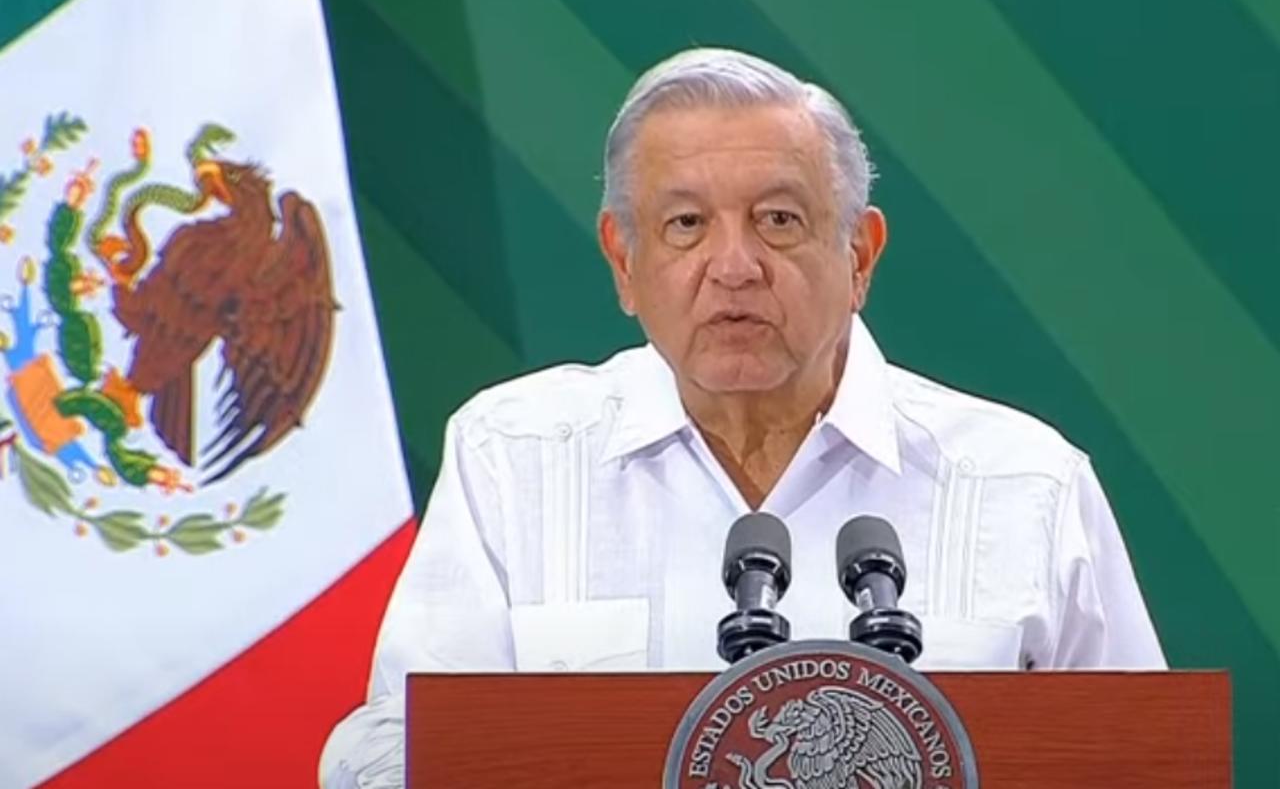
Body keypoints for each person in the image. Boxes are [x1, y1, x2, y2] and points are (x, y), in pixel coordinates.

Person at [320, 47, 1164, 788]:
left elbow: (1146, 763)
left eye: (778, 220)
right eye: (686, 225)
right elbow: (398, 750)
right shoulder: (513, 457)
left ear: (860, 255)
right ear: (623, 261)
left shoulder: (1026, 482)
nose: (734, 266)